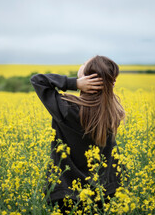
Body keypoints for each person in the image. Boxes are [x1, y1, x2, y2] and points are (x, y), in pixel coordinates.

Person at [30, 55, 127, 214]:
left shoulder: (67, 108)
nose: (81, 65)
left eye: (84, 64)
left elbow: (38, 81)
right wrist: (107, 85)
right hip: (103, 194)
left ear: (87, 77)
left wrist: (73, 83)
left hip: (66, 193)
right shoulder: (113, 113)